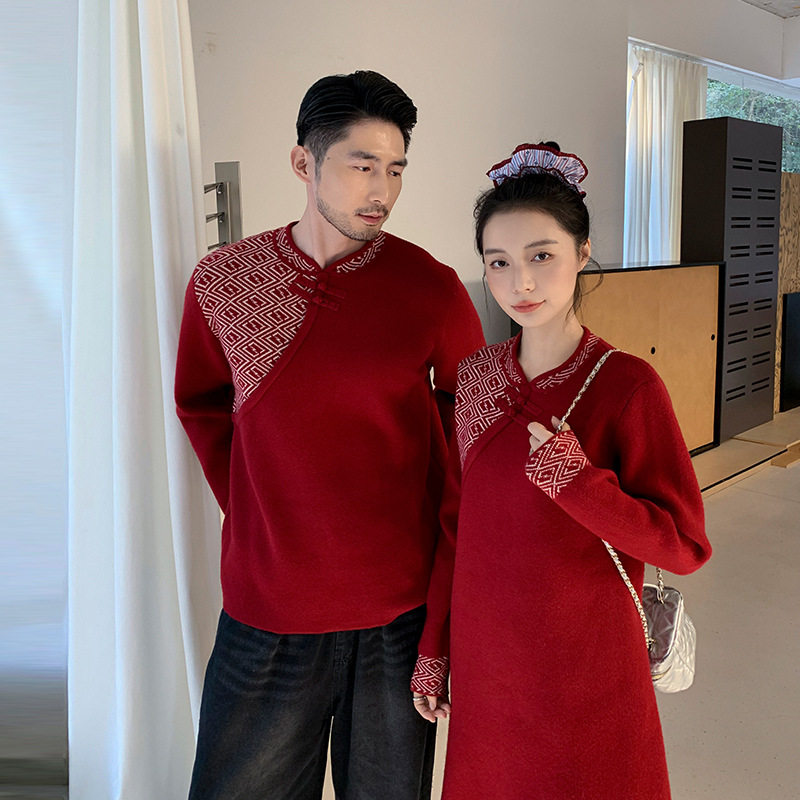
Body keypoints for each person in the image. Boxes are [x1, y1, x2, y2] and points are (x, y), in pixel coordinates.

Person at [175, 70, 485, 800]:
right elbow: (201, 403)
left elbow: (473, 431)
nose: (382, 190)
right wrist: (254, 505)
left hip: (398, 618)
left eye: (396, 169)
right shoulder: (224, 280)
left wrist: (447, 615)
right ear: (303, 162)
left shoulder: (431, 287)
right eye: (361, 165)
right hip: (268, 609)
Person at [410, 142, 712, 799]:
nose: (520, 282)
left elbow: (684, 546)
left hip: (589, 665)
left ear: (582, 252)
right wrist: (434, 647)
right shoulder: (478, 378)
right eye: (499, 262)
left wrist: (578, 484)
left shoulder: (628, 386)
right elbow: (457, 527)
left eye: (541, 256)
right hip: (490, 664)